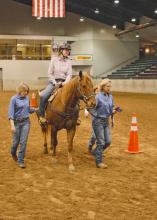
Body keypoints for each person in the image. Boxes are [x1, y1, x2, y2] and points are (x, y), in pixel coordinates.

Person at [38, 43, 72, 124]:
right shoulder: (54, 60)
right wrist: (55, 83)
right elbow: (50, 73)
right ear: (61, 50)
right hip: (53, 82)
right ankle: (42, 116)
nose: (67, 51)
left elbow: (69, 74)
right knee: (43, 96)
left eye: (68, 50)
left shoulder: (69, 61)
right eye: (66, 50)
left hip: (64, 82)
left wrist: (65, 83)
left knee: (75, 95)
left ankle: (75, 117)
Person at [88, 79, 117, 169]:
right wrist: (96, 115)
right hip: (98, 121)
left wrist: (113, 111)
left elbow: (111, 108)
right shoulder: (97, 97)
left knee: (108, 142)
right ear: (103, 87)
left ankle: (95, 152)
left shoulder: (110, 97)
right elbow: (90, 108)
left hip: (106, 121)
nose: (109, 88)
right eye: (107, 86)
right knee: (101, 142)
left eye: (110, 86)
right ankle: (99, 162)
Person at [8, 82, 37, 168]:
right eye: (25, 91)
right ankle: (13, 152)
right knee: (15, 143)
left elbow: (28, 109)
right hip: (16, 123)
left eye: (27, 91)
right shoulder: (13, 99)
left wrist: (35, 109)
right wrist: (12, 125)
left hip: (26, 122)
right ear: (20, 90)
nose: (26, 93)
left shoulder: (27, 98)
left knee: (23, 142)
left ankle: (20, 160)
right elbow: (10, 113)